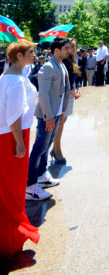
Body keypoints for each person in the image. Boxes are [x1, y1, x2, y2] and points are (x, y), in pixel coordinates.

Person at [0, 39, 40, 258]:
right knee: (14, 189)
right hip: (13, 137)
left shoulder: (7, 77)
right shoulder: (15, 81)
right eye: (30, 52)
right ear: (17, 56)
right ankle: (12, 237)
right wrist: (20, 142)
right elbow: (13, 116)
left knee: (8, 188)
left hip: (9, 136)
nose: (33, 55)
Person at [26, 36, 71, 201]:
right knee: (39, 148)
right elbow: (43, 94)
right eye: (66, 48)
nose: (69, 50)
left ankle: (42, 175)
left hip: (57, 114)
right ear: (56, 50)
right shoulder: (48, 67)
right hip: (48, 116)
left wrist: (61, 112)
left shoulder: (61, 65)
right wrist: (49, 117)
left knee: (46, 146)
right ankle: (30, 186)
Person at [51, 38, 81, 165]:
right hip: (64, 95)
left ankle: (54, 149)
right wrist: (74, 91)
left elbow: (76, 77)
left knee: (63, 121)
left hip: (69, 95)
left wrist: (77, 88)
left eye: (73, 46)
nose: (72, 49)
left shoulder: (70, 60)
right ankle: (57, 150)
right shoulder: (63, 61)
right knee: (60, 123)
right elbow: (66, 81)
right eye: (70, 47)